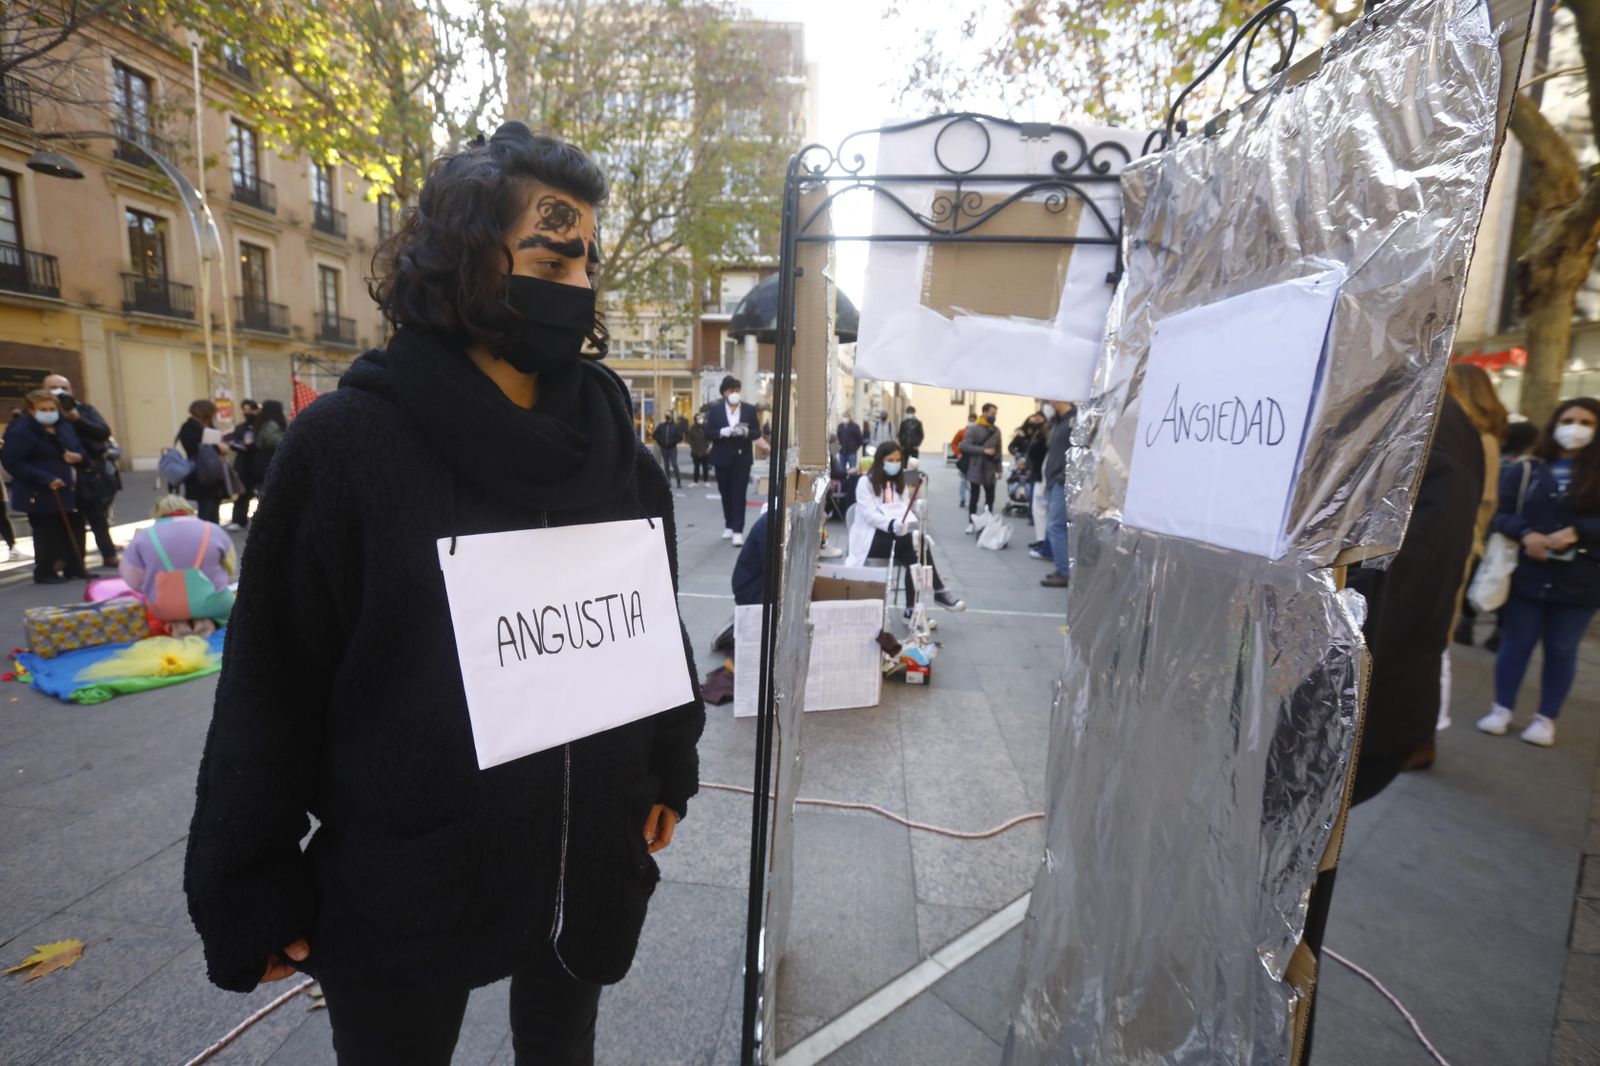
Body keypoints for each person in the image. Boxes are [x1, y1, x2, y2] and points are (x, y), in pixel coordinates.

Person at [182, 122, 704, 1064]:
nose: (577, 285)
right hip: (406, 881)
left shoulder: (620, 461)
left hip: (583, 856)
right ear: (465, 259)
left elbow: (649, 631)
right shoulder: (346, 450)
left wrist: (667, 766)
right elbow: (272, 681)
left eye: (587, 261)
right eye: (552, 255)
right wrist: (246, 877)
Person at [1346, 392, 1484, 802]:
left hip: (1358, 704)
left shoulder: (1413, 413)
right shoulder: (1415, 407)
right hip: (1373, 700)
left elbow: (1402, 585)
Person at [1475, 397, 1600, 747]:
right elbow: (1501, 514)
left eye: (1586, 422)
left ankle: (1546, 718)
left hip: (1582, 579)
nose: (1576, 428)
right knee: (1516, 643)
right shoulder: (1528, 468)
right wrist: (1526, 534)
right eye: (1569, 419)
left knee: (1562, 649)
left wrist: (1578, 531)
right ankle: (1502, 709)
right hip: (1529, 572)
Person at [845, 440, 965, 617]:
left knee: (914, 555)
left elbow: (904, 508)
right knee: (917, 542)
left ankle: (912, 610)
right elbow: (869, 514)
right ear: (880, 460)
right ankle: (938, 591)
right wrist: (892, 525)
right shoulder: (865, 482)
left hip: (895, 537)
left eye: (897, 460)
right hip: (871, 539)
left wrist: (912, 515)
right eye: (890, 460)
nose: (894, 464)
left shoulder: (898, 484)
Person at [1, 389, 88, 583]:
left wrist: (79, 456)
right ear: (31, 410)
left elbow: (78, 447)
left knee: (74, 527)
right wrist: (45, 477)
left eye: (52, 408)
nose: (49, 412)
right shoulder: (22, 430)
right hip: (41, 490)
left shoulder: (63, 426)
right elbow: (13, 461)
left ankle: (75, 568)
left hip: (69, 488)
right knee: (47, 532)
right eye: (44, 409)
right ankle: (46, 571)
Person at [120, 495, 236, 637]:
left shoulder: (143, 536)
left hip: (165, 607)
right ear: (189, 509)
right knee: (225, 609)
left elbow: (132, 580)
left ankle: (175, 624)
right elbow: (231, 566)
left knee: (168, 611)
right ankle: (211, 622)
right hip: (214, 603)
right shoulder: (212, 530)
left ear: (157, 512)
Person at [45, 373, 121, 568]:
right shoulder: (44, 414)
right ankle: (70, 558)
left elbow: (103, 432)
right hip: (60, 471)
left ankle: (108, 554)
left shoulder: (84, 410)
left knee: (98, 517)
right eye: (52, 387)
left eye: (62, 387)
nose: (58, 392)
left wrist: (78, 420)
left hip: (89, 471)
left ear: (71, 391)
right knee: (68, 519)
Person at [706, 374, 759, 547]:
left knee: (739, 493)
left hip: (742, 458)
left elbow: (756, 432)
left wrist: (745, 433)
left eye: (737, 390)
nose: (734, 393)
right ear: (724, 393)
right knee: (726, 493)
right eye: (731, 390)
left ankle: (738, 530)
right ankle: (729, 524)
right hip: (722, 458)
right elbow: (708, 432)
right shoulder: (715, 410)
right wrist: (723, 432)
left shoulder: (749, 410)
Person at [176, 400, 232, 525]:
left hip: (210, 473)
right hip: (203, 473)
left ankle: (210, 536)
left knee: (212, 510)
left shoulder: (202, 427)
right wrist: (218, 447)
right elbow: (197, 448)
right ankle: (205, 538)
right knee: (206, 512)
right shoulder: (191, 427)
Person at [1039, 402, 1075, 587]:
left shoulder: (1073, 420)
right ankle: (1063, 569)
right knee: (1057, 526)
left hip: (1062, 482)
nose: (1049, 404)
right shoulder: (1060, 422)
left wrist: (1061, 477)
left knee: (1055, 526)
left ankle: (1064, 572)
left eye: (1051, 401)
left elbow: (1075, 451)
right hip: (1055, 481)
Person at [961, 403, 1003, 533]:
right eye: (991, 413)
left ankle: (987, 522)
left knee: (990, 497)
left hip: (990, 469)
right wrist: (984, 450)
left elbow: (999, 450)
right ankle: (971, 522)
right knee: (974, 496)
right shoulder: (974, 429)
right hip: (976, 467)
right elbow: (965, 446)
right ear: (984, 412)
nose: (993, 416)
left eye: (995, 414)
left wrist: (999, 469)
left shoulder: (996, 431)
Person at [224, 400, 260, 532]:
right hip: (244, 466)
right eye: (245, 410)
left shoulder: (261, 426)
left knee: (261, 494)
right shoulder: (240, 428)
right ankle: (239, 520)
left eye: (250, 410)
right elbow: (232, 440)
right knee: (242, 494)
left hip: (258, 464)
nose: (247, 413)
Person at [251, 400, 287, 496]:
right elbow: (275, 440)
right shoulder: (271, 424)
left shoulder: (262, 422)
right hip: (269, 460)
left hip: (263, 460)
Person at [952, 413, 976, 509]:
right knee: (963, 481)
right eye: (970, 420)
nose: (972, 422)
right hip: (964, 459)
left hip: (974, 460)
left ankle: (972, 500)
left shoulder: (978, 432)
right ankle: (963, 499)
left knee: (973, 482)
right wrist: (958, 453)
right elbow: (954, 443)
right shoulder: (962, 432)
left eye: (973, 420)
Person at [652, 414, 683, 488]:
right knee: (666, 465)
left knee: (674, 464)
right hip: (664, 448)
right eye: (666, 414)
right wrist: (660, 441)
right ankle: (668, 482)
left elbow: (680, 437)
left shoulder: (675, 426)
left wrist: (674, 442)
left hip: (672, 448)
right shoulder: (661, 426)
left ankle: (678, 481)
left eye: (669, 414)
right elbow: (655, 435)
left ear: (672, 416)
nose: (667, 416)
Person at [687, 412, 711, 484]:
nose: (700, 419)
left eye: (701, 418)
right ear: (695, 420)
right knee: (696, 467)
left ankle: (706, 481)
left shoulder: (706, 427)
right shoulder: (692, 428)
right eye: (698, 418)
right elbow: (690, 439)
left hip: (705, 450)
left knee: (705, 467)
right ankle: (695, 481)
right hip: (696, 451)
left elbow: (709, 438)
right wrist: (693, 448)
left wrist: (708, 447)